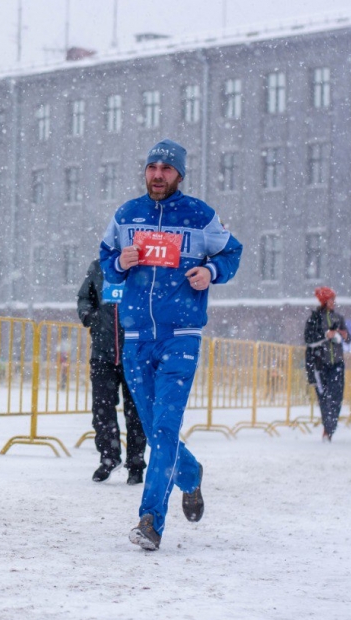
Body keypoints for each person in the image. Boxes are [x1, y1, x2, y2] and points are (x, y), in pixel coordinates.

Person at [100, 139, 243, 551]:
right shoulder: (127, 215)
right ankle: (191, 473)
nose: (158, 174)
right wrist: (118, 265)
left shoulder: (200, 216)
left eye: (166, 168)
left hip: (181, 335)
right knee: (150, 427)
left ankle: (150, 520)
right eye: (152, 167)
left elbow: (232, 252)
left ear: (179, 175)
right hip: (136, 335)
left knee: (164, 427)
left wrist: (211, 270)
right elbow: (107, 256)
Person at [76, 258, 146, 484]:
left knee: (136, 413)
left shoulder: (143, 267)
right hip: (102, 354)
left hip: (135, 354)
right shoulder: (99, 266)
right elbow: (85, 297)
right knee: (101, 409)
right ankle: (108, 457)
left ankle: (135, 464)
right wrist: (90, 317)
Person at [304, 287, 351, 442]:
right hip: (319, 363)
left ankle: (331, 427)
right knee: (324, 397)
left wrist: (344, 335)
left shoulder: (338, 318)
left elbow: (348, 337)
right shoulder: (315, 318)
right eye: (331, 299)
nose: (334, 302)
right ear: (324, 301)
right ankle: (327, 427)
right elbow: (309, 339)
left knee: (336, 396)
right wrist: (326, 336)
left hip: (337, 363)